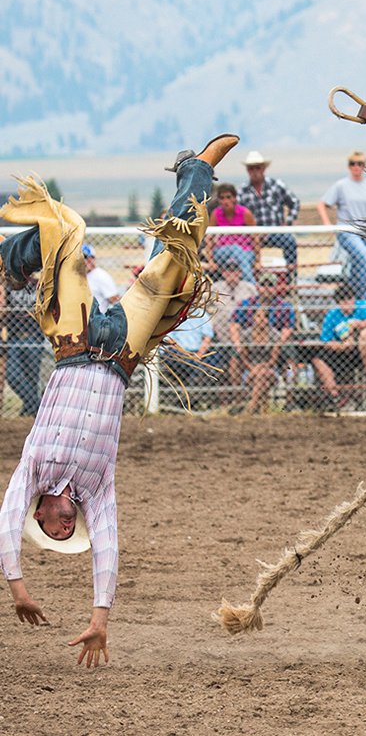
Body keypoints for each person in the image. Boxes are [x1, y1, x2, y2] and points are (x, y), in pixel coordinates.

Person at [0, 132, 239, 666]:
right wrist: (98, 618)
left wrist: (17, 588)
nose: (65, 529)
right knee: (173, 264)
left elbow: (5, 513)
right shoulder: (96, 489)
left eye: (53, 530)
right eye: (67, 532)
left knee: (69, 232)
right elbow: (107, 550)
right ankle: (196, 171)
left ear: (38, 517)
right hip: (123, 353)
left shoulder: (32, 472)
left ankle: (8, 262)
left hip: (74, 340)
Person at [316, 151, 366, 301]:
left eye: (360, 164)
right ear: (349, 166)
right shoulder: (341, 185)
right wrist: (328, 225)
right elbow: (322, 204)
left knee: (358, 266)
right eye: (353, 163)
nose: (356, 167)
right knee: (364, 258)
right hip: (347, 230)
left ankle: (353, 296)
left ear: (364, 166)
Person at [230, 271, 296, 414]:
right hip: (252, 346)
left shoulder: (284, 306)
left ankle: (289, 399)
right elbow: (234, 325)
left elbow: (287, 330)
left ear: (276, 287)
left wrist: (278, 343)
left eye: (270, 285)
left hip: (276, 344)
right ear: (258, 287)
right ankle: (238, 398)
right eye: (263, 285)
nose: (266, 288)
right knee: (235, 354)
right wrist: (238, 343)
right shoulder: (246, 304)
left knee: (289, 353)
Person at [311, 282, 366, 407]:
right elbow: (326, 341)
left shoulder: (364, 306)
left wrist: (356, 324)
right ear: (338, 303)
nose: (347, 304)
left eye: (349, 300)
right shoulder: (332, 315)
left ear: (353, 299)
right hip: (343, 351)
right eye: (343, 301)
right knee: (317, 359)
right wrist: (341, 346)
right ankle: (335, 397)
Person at [236, 150, 300, 277]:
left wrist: (287, 223)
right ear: (247, 170)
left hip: (276, 231)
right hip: (253, 235)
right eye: (251, 168)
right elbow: (239, 214)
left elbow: (294, 202)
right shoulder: (242, 191)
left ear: (263, 169)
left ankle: (291, 278)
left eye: (257, 168)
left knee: (289, 241)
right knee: (242, 251)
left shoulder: (276, 185)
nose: (254, 171)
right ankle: (251, 279)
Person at [209, 259, 257, 397]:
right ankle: (232, 395)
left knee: (238, 360)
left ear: (240, 273)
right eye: (228, 271)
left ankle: (242, 394)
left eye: (235, 271)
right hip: (220, 337)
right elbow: (203, 307)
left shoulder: (248, 288)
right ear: (223, 273)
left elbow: (257, 310)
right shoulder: (215, 288)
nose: (232, 274)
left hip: (245, 337)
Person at [1, 275, 43, 416]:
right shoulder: (8, 286)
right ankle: (38, 406)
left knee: (32, 379)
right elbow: (3, 308)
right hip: (14, 338)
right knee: (13, 376)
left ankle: (29, 410)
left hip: (34, 337)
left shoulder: (38, 285)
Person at [208, 182, 260, 283]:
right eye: (222, 198)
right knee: (235, 249)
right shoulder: (216, 214)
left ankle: (247, 286)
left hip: (245, 251)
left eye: (228, 197)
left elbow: (255, 237)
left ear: (235, 198)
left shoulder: (245, 213)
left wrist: (258, 261)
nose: (225, 201)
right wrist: (210, 261)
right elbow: (209, 238)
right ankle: (252, 285)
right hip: (222, 252)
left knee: (239, 253)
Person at [160, 309, 214, 395]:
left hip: (198, 352)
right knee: (191, 367)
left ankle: (193, 389)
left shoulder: (201, 313)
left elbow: (208, 336)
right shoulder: (174, 313)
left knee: (216, 358)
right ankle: (193, 388)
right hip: (177, 353)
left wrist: (199, 354)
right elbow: (169, 339)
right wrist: (186, 354)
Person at [82, 244, 119, 312]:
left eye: (87, 257)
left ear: (93, 259)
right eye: (82, 258)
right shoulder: (77, 276)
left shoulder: (101, 276)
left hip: (96, 320)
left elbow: (116, 301)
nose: (85, 261)